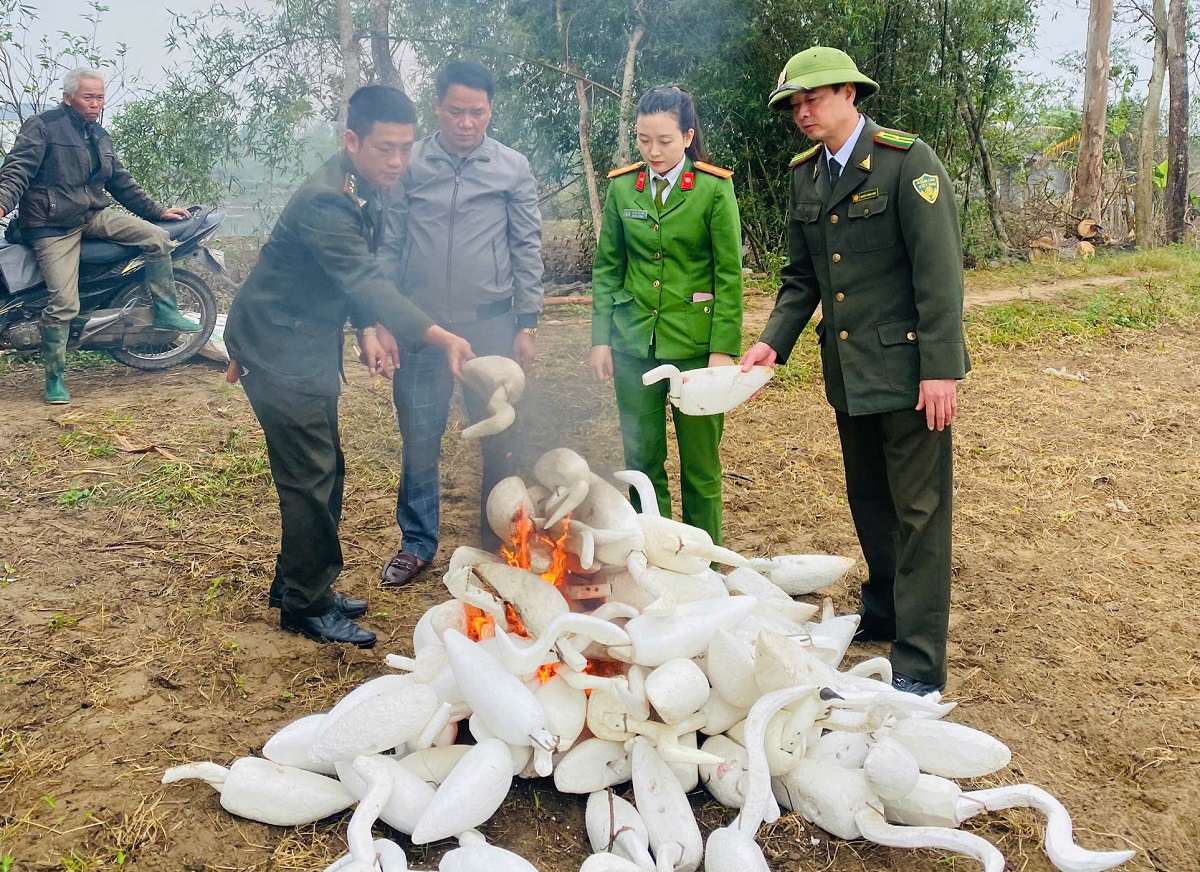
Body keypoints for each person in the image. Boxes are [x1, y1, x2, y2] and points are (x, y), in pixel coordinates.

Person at [740, 47, 970, 695]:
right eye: (794, 104)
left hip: (910, 373)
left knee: (920, 513)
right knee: (869, 500)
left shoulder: (906, 162)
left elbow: (938, 272)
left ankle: (918, 662)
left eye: (813, 99)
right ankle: (886, 610)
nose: (802, 113)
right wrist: (772, 343)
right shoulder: (806, 176)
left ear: (849, 93)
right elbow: (802, 278)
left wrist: (941, 369)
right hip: (849, 372)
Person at [223, 85, 473, 648]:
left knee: (324, 471)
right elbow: (364, 280)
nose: (398, 161)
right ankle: (306, 606)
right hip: (277, 347)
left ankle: (297, 583)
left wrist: (364, 326)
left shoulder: (359, 184)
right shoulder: (326, 201)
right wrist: (438, 335)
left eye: (406, 148)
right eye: (386, 148)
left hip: (300, 340)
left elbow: (350, 272)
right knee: (312, 478)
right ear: (352, 140)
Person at [376, 61, 544, 588]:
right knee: (420, 437)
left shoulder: (511, 167)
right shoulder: (410, 163)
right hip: (421, 329)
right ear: (437, 107)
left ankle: (499, 538)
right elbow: (389, 242)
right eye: (455, 111)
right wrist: (383, 318)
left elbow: (526, 246)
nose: (466, 123)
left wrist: (527, 323)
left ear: (490, 110)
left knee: (500, 435)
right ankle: (416, 543)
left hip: (489, 327)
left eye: (477, 112)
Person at [590, 86, 743, 544]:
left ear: (688, 137)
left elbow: (728, 275)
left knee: (700, 464)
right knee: (641, 462)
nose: (653, 151)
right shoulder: (623, 187)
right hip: (632, 343)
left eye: (664, 140)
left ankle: (705, 561)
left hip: (696, 347)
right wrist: (601, 339)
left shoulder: (713, 188)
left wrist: (722, 350)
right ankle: (654, 552)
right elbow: (608, 267)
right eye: (643, 140)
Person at [0, 68, 200, 405]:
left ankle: (165, 310)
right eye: (88, 97)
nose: (96, 104)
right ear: (68, 98)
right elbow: (17, 169)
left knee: (157, 238)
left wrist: (157, 210)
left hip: (92, 215)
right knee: (64, 304)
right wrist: (3, 202)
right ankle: (55, 378)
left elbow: (120, 181)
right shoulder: (43, 126)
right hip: (53, 225)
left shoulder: (98, 134)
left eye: (100, 97)